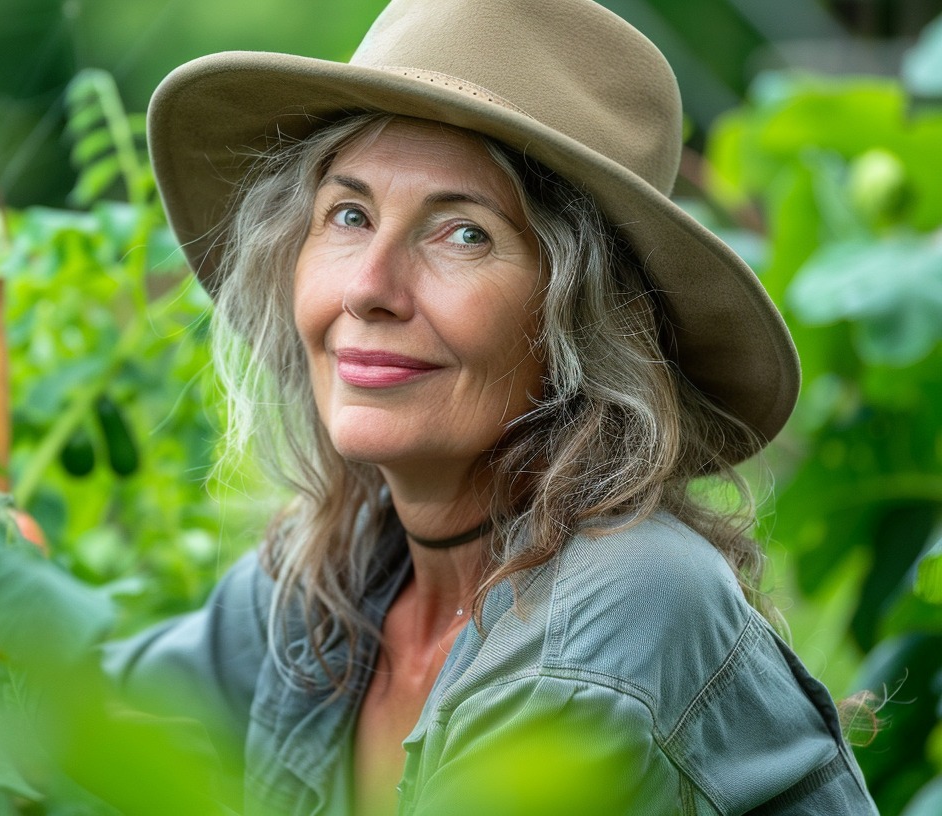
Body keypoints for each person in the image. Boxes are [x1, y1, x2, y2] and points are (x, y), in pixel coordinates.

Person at [103, 0, 880, 813]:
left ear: (585, 319)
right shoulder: (343, 581)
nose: (368, 287)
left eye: (463, 234)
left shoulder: (626, 603)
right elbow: (67, 705)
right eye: (349, 214)